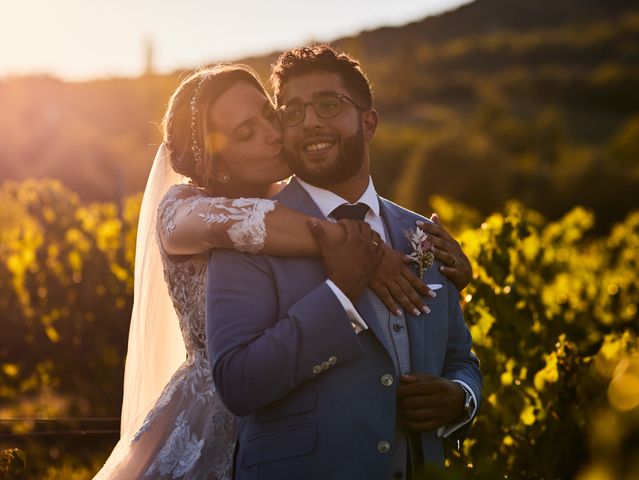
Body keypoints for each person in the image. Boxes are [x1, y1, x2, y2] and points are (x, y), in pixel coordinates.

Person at [93, 63, 472, 479]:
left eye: (269, 115)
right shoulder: (193, 215)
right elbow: (251, 225)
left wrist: (462, 396)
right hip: (221, 434)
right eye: (244, 133)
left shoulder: (411, 231)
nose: (273, 134)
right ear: (218, 164)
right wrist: (367, 248)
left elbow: (456, 352)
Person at [206, 46, 482, 480]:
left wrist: (461, 398)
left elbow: (460, 356)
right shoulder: (248, 234)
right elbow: (237, 382)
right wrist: (339, 298)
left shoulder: (424, 236)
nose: (310, 121)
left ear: (368, 122)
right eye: (293, 112)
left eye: (328, 105)